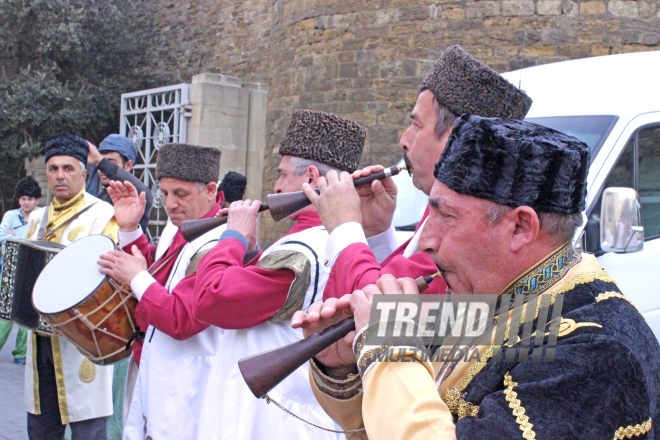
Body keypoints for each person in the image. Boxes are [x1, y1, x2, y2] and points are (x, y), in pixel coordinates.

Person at [294, 115, 660, 439]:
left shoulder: (597, 350)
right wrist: (343, 367)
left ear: (520, 228)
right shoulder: (488, 301)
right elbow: (388, 422)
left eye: (447, 217)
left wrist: (388, 347)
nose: (425, 242)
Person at [306, 45, 532, 303]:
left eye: (416, 125)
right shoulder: (439, 210)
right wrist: (378, 231)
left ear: (456, 140)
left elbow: (378, 307)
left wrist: (344, 228)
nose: (404, 141)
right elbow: (396, 281)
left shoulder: (468, 225)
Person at [190, 110, 366, 439]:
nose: (276, 185)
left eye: (282, 174)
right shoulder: (327, 240)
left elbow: (210, 300)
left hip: (269, 422)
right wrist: (252, 253)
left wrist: (232, 237)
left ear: (311, 179)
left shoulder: (306, 248)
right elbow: (267, 307)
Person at [96, 143, 232, 440]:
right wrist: (130, 229)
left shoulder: (220, 241)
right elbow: (159, 273)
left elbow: (181, 319)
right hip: (156, 369)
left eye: (180, 194)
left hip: (189, 384)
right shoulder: (181, 226)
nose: (170, 204)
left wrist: (137, 277)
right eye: (165, 193)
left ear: (211, 190)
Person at [24, 134, 119, 440]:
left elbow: (106, 275)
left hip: (82, 338)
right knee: (41, 427)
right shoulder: (36, 218)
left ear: (83, 172)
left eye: (67, 168)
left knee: (87, 426)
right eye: (53, 169)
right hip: (39, 340)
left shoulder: (103, 214)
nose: (59, 176)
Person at [0, 175, 42, 364]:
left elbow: (43, 240)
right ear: (19, 200)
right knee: (5, 312)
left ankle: (20, 354)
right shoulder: (10, 216)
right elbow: (1, 235)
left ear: (36, 200)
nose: (26, 203)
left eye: (30, 199)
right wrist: (26, 241)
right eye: (23, 199)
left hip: (33, 269)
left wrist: (13, 238)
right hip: (10, 267)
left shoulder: (42, 216)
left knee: (27, 313)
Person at [86, 134, 154, 232]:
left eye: (110, 164)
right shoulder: (101, 195)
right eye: (101, 166)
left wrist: (99, 161)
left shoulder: (138, 194)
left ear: (128, 165)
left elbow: (144, 192)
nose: (102, 169)